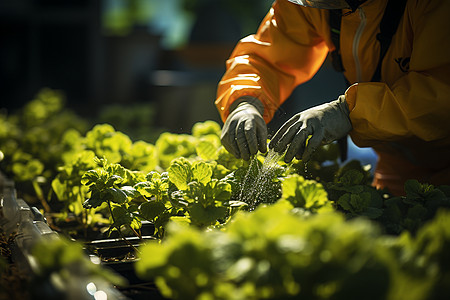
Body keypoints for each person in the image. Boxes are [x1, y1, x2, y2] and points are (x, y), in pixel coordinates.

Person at [215, 0, 450, 196]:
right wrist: (245, 102)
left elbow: (441, 92)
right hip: (397, 165)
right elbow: (267, 58)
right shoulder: (313, 3)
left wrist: (348, 112)